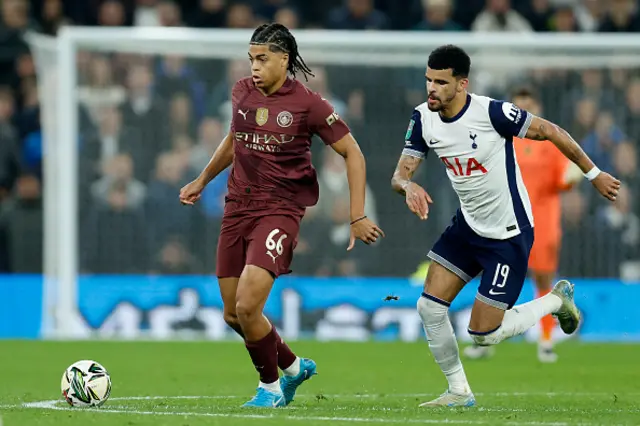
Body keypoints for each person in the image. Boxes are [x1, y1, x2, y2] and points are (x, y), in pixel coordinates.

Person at [391, 45, 620, 407]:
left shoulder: (492, 113)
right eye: (427, 80)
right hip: (467, 229)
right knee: (429, 307)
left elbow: (550, 130)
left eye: (440, 82)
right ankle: (458, 392)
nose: (431, 88)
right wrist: (408, 186)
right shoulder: (422, 118)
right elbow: (400, 174)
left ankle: (556, 300)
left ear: (461, 84)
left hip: (507, 235)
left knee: (483, 335)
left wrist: (593, 174)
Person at [179, 23, 383, 408]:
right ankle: (293, 367)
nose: (254, 67)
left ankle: (270, 389)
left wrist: (357, 214)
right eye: (251, 59)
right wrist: (202, 179)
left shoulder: (309, 104)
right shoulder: (242, 91)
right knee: (231, 314)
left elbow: (352, 152)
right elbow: (235, 140)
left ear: (284, 60)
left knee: (247, 306)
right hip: (237, 208)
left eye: (262, 59)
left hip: (279, 211)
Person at [464, 87, 583, 363]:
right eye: (518, 107)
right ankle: (485, 341)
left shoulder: (549, 142)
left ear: (536, 107)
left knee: (542, 278)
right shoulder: (501, 139)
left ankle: (545, 341)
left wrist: (573, 176)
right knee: (494, 277)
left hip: (542, 220)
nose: (522, 112)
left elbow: (561, 181)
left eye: (527, 106)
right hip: (504, 219)